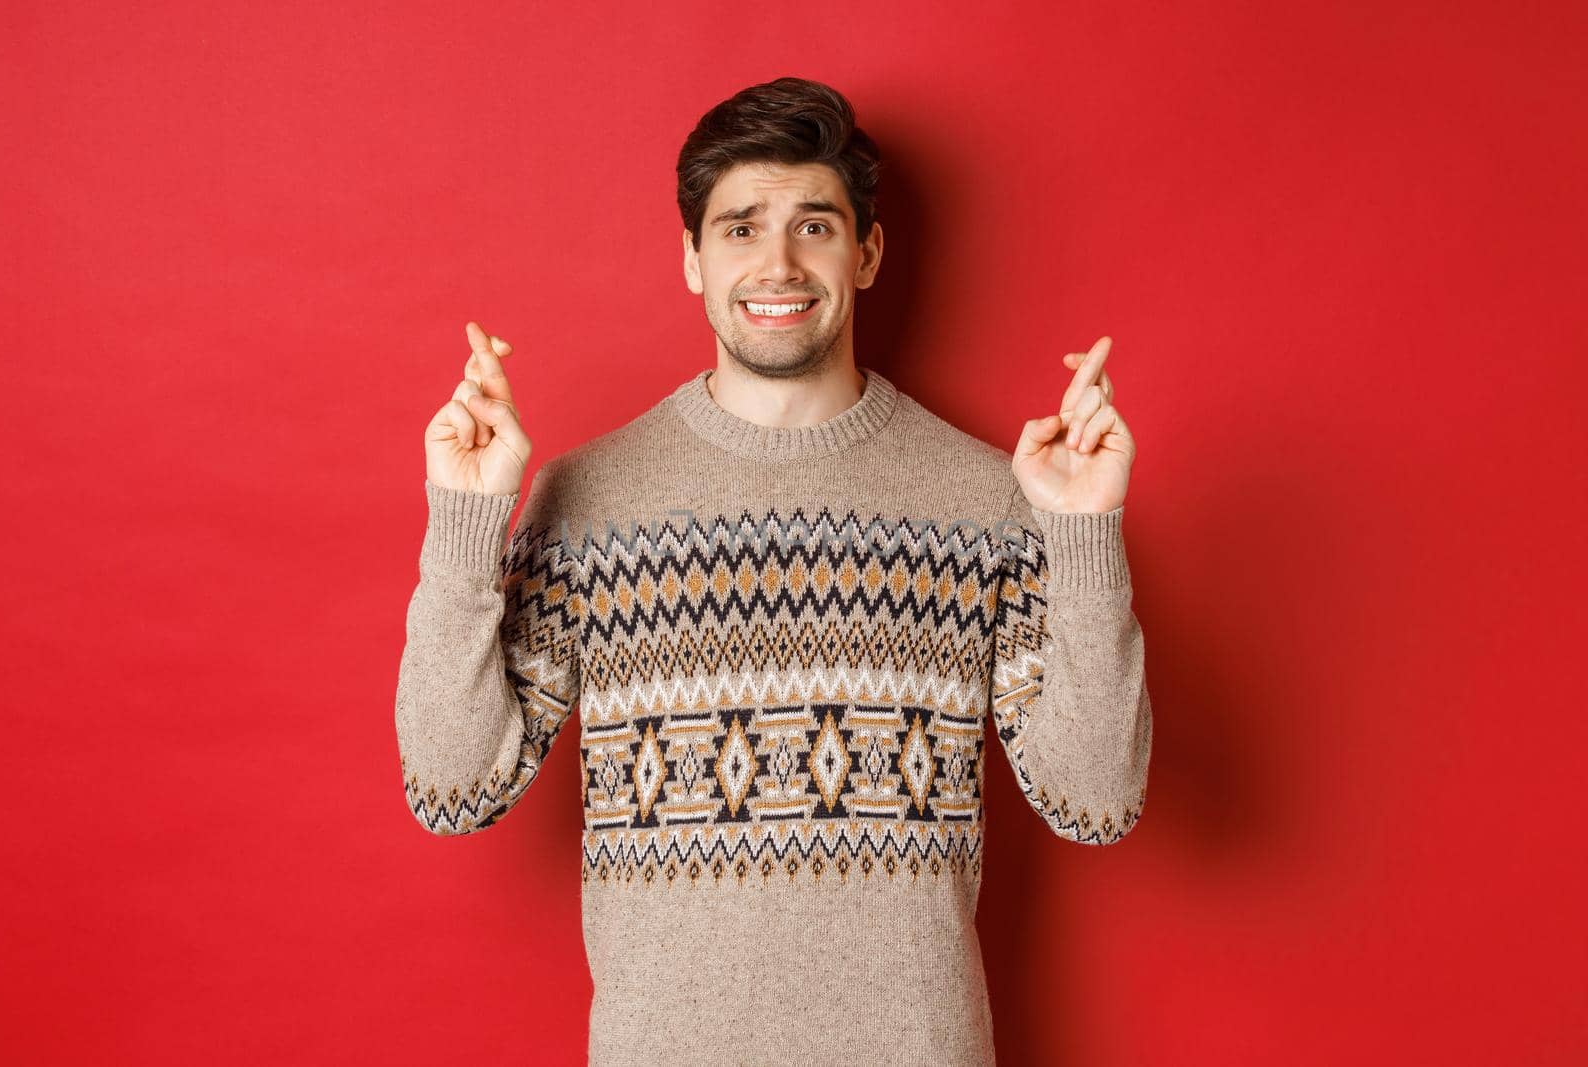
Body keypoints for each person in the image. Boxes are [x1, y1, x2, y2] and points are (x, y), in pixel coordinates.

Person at [394, 75, 1152, 1066]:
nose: (778, 261)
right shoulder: (590, 497)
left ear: (867, 251)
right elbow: (452, 789)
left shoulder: (985, 500)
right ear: (691, 261)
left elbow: (1094, 802)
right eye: (740, 227)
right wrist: (464, 517)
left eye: (815, 225)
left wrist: (1085, 534)